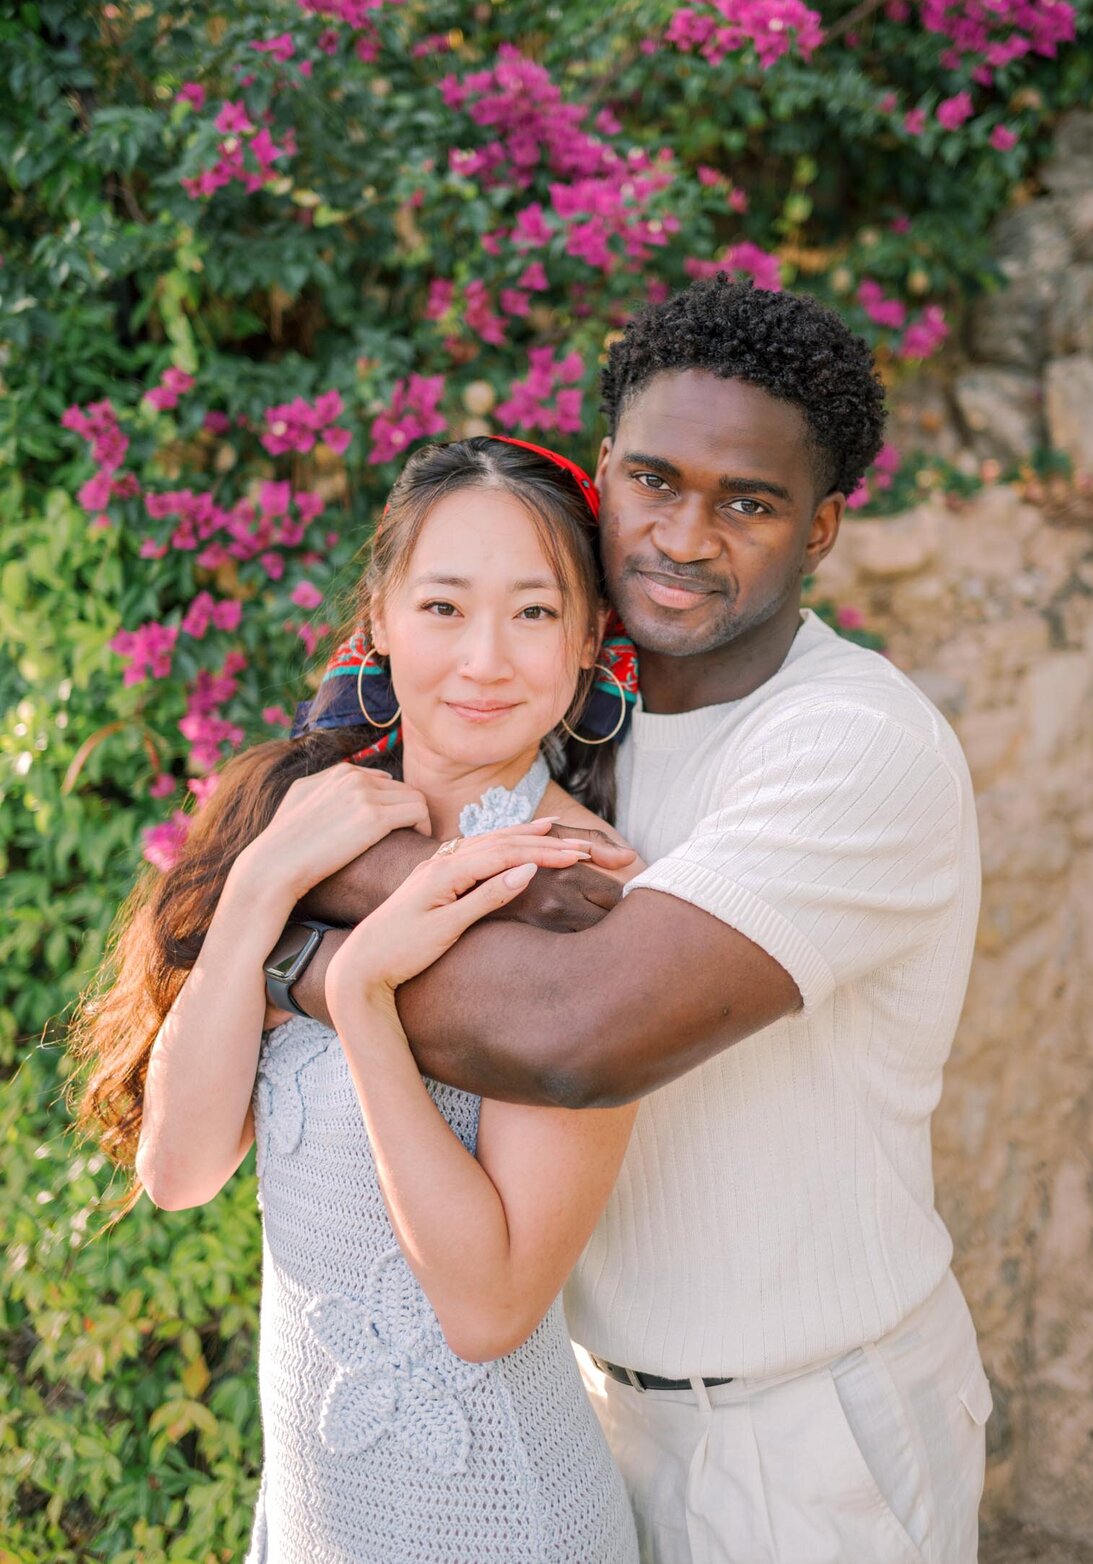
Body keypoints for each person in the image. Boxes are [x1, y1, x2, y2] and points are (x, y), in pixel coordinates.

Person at [289, 276, 993, 1564]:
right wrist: (295, 862)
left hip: (802, 1440)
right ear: (603, 471)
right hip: (586, 1410)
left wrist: (294, 938)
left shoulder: (851, 746)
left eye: (750, 502)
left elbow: (572, 1030)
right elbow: (336, 807)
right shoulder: (563, 710)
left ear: (823, 528)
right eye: (656, 481)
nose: (684, 534)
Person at [72, 437, 646, 1564]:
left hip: (495, 1519)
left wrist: (364, 993)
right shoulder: (316, 830)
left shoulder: (585, 905)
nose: (484, 659)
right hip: (318, 1514)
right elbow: (180, 1171)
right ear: (379, 613)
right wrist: (261, 883)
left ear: (587, 645)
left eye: (533, 613)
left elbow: (487, 1312)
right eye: (443, 605)